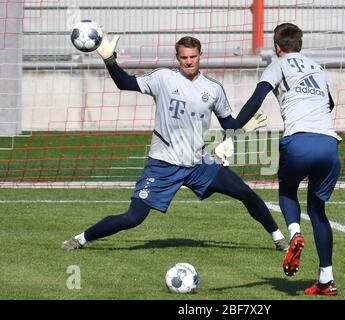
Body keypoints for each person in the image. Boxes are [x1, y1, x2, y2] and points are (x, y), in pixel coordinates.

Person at [61, 32, 290, 252]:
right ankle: (81, 239)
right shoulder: (163, 78)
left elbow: (228, 124)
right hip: (163, 165)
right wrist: (109, 59)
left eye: (192, 57)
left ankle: (279, 239)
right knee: (133, 218)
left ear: (200, 56)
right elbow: (124, 83)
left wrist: (244, 127)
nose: (188, 62)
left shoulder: (213, 89)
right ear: (177, 58)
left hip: (199, 163)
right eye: (184, 57)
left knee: (245, 192)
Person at [215, 23, 341, 296]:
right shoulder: (317, 67)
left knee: (286, 188)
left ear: (277, 46)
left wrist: (232, 131)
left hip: (299, 141)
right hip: (330, 144)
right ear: (300, 45)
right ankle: (326, 280)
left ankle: (294, 233)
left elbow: (256, 99)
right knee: (318, 210)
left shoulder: (278, 65)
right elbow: (330, 104)